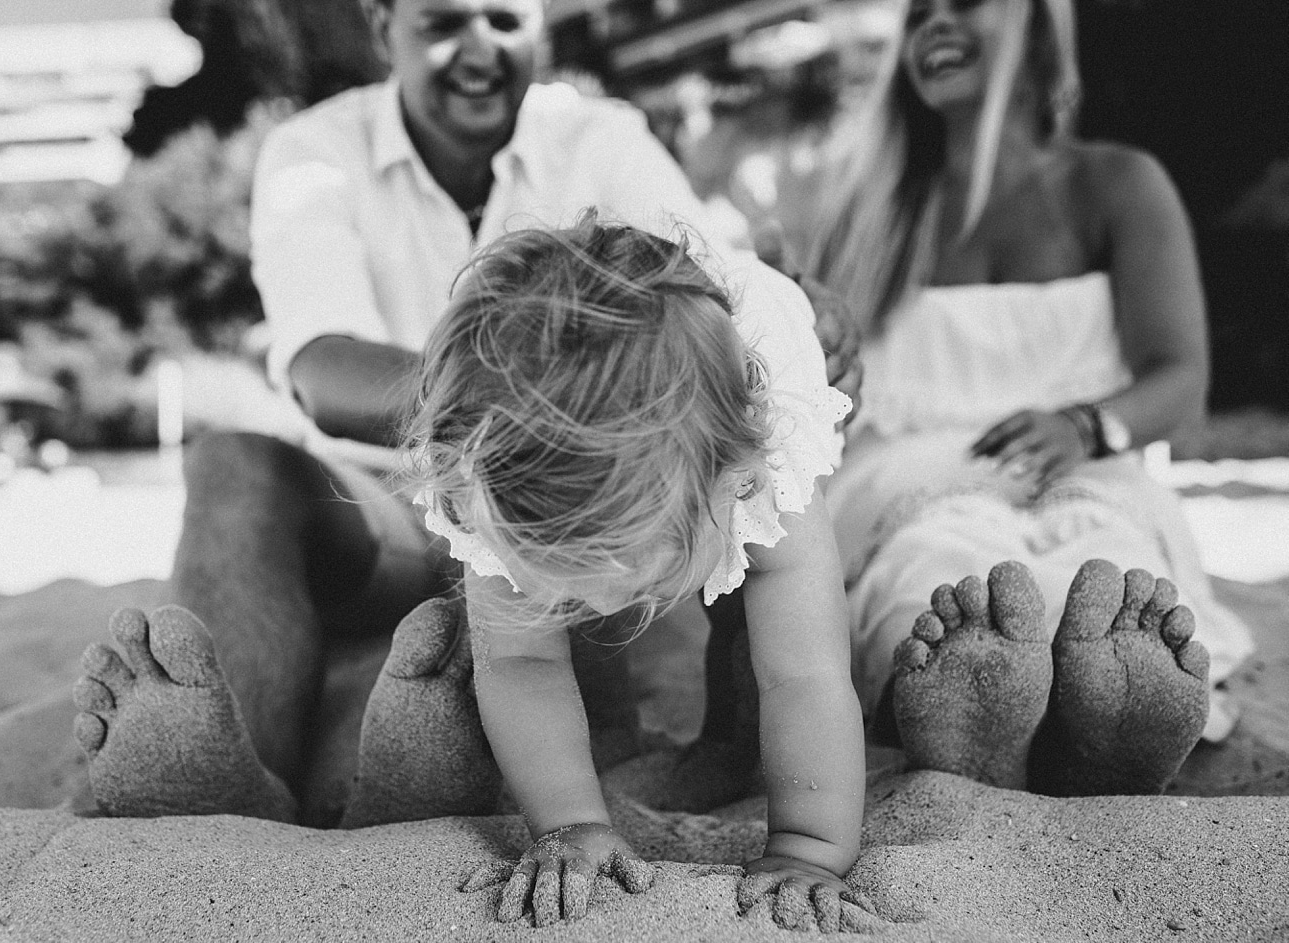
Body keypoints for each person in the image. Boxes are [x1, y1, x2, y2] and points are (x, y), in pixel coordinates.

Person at [70, 0, 855, 837]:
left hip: (612, 489)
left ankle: (670, 747)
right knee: (233, 464)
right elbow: (319, 369)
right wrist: (512, 421)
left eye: (504, 20)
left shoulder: (602, 137)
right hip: (401, 489)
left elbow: (698, 282)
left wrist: (615, 418)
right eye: (445, 21)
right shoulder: (313, 152)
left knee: (699, 523)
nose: (478, 46)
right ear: (383, 28)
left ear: (539, 28)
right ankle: (228, 778)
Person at [793, 0, 1254, 794]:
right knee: (934, 574)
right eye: (919, 15)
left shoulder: (1115, 182)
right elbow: (816, 386)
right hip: (910, 489)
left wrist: (1087, 424)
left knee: (1107, 565)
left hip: (1087, 472)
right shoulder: (858, 214)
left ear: (1040, 26)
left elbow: (1180, 374)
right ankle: (985, 715)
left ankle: (1098, 721)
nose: (935, 25)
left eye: (963, 4)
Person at [404, 214, 876, 929]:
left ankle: (728, 732)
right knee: (538, 639)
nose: (601, 606)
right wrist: (570, 821)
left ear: (735, 483)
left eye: (636, 583)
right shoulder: (494, 473)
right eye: (562, 584)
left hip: (761, 335)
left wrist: (810, 847)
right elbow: (520, 663)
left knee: (763, 630)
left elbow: (806, 673)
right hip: (590, 351)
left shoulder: (764, 460)